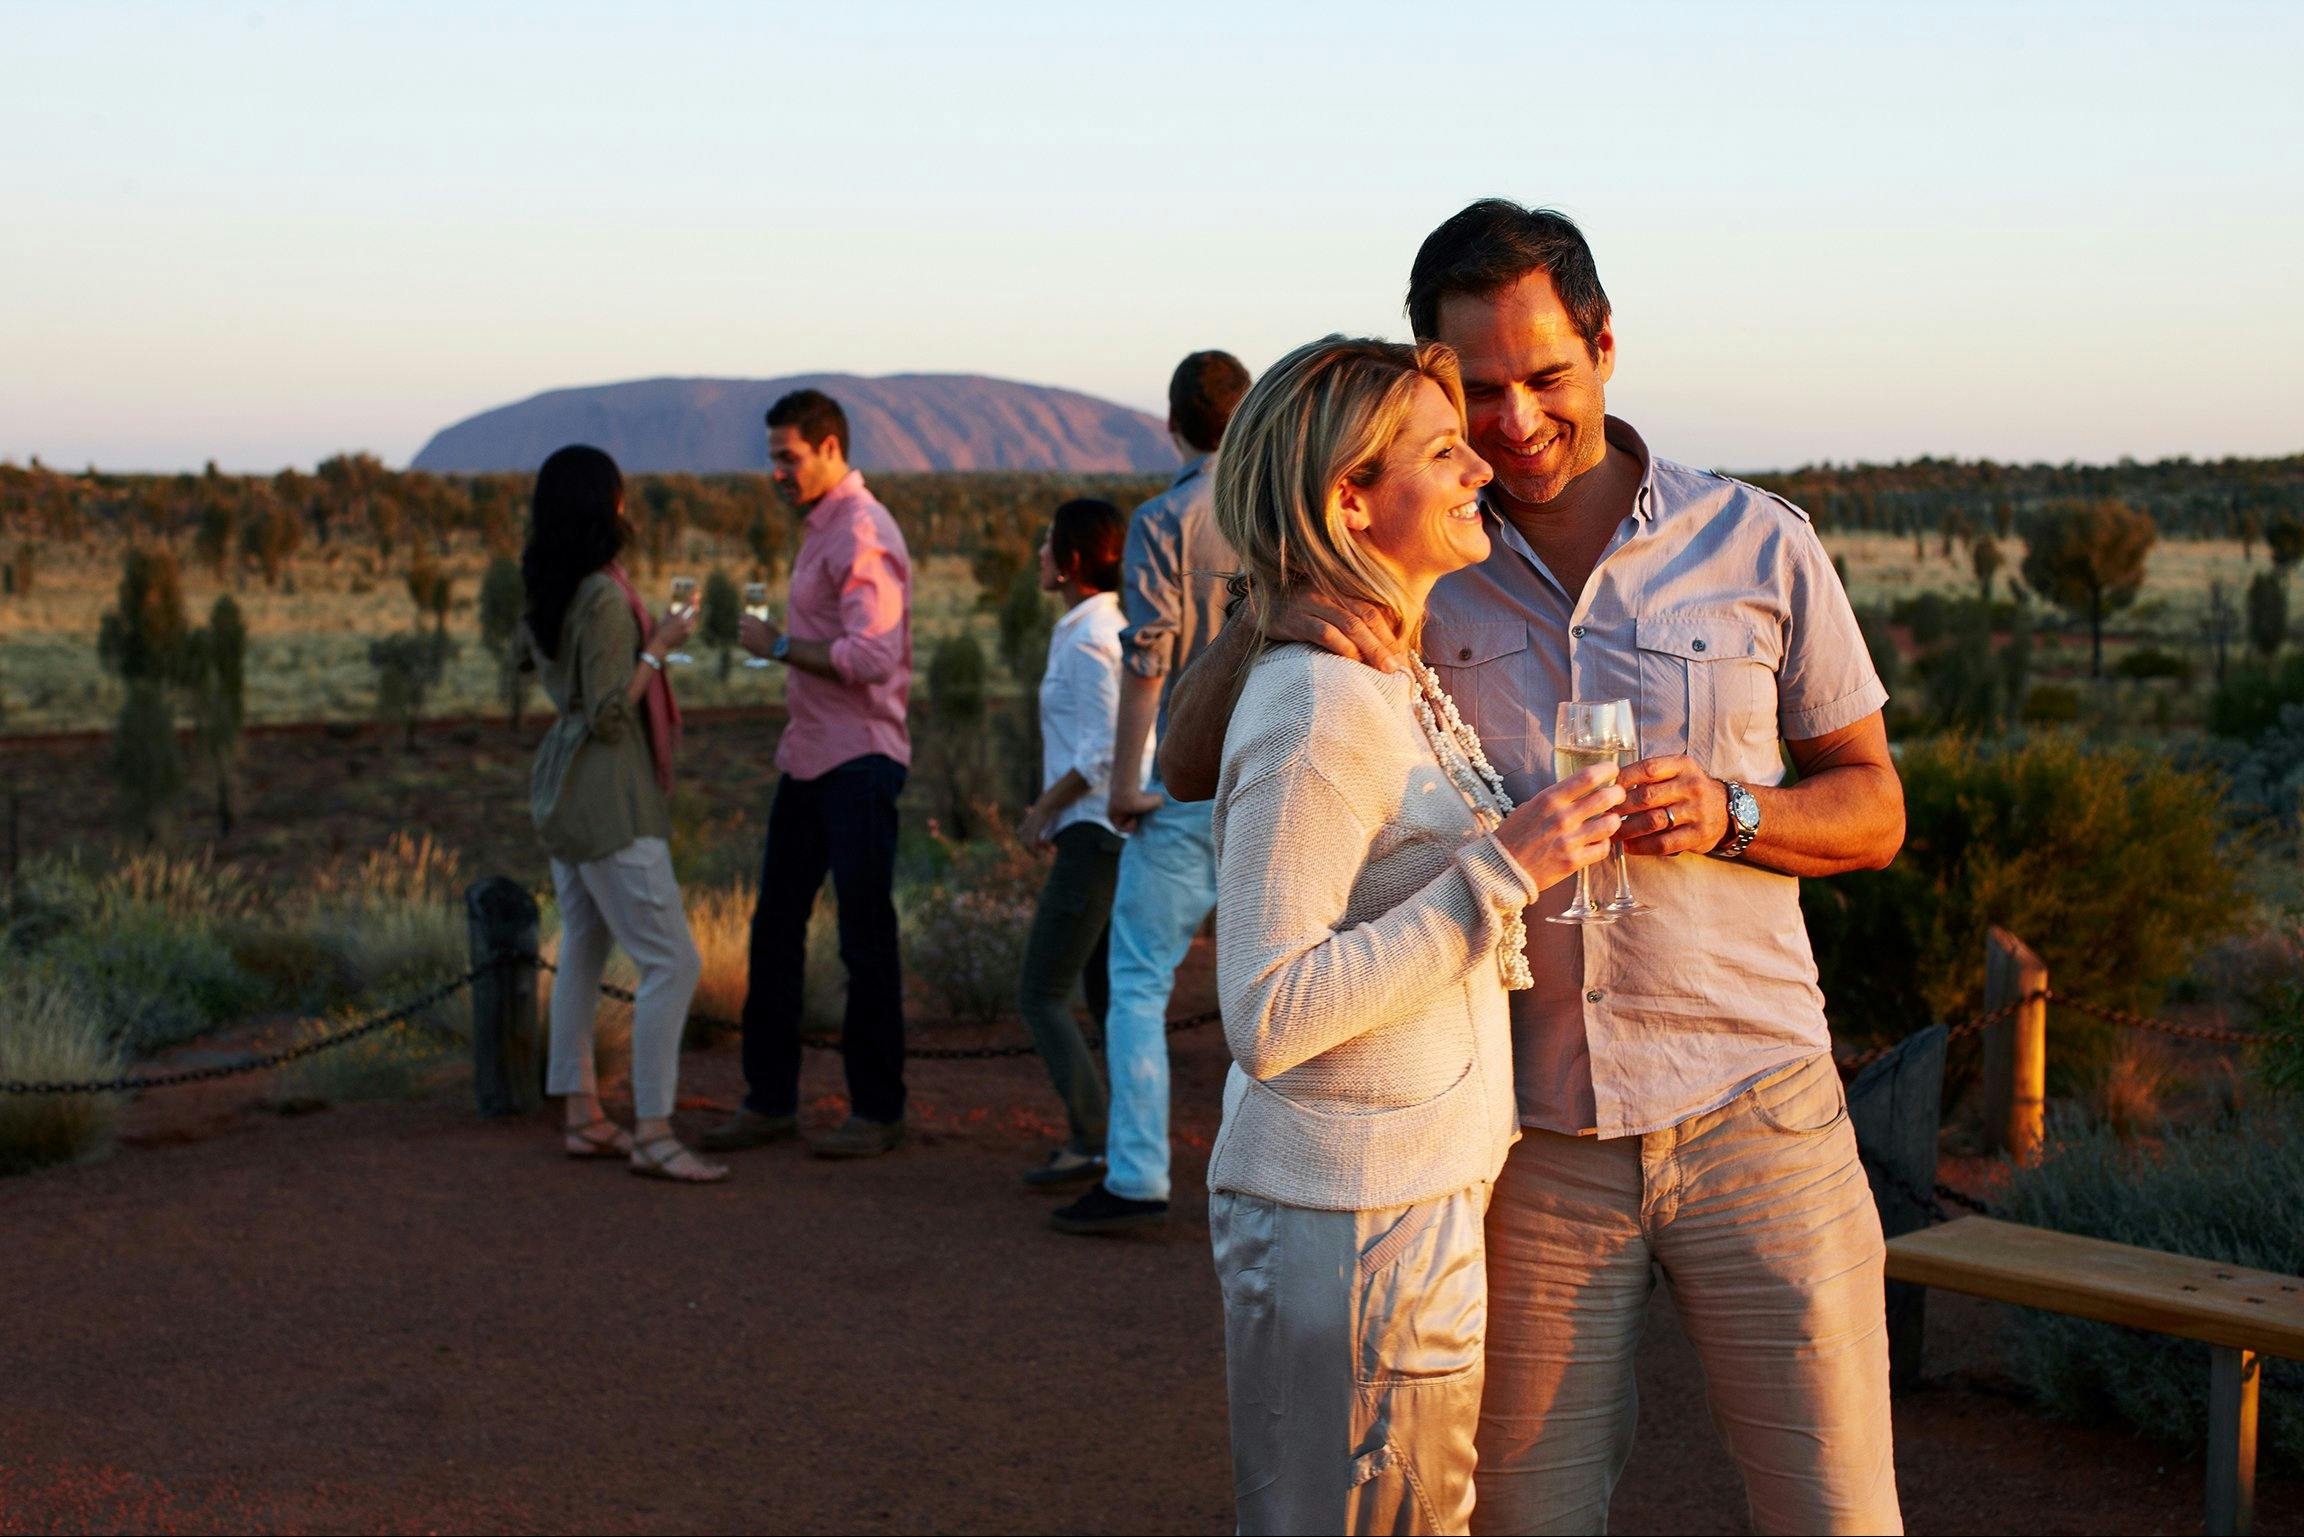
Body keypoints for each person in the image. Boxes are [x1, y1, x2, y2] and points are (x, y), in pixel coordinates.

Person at [1160, 203, 1908, 1535]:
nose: (1512, 423)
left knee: (1837, 1512)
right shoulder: (1416, 548)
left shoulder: (1758, 542)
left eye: (1546, 376)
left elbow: (1875, 808)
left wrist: (1734, 812)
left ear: (1606, 346)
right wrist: (1277, 593)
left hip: (1757, 1115)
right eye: (1480, 391)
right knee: (1519, 1518)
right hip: (1530, 1150)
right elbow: (1187, 760)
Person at [1204, 335, 1624, 1534]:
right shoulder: (1320, 704)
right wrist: (1502, 870)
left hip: (1394, 1200)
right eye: (1444, 453)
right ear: (1350, 498)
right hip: (1352, 1217)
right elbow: (1268, 1010)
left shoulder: (1381, 672)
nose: (1481, 466)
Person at [1051, 349, 1252, 1235]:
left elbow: (1148, 660)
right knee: (1275, 982)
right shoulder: (1278, 509)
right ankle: (1277, 1173)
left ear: (1173, 424)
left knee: (1135, 980)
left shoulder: (1163, 520)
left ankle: (1136, 1176)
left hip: (1184, 782)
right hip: (1271, 773)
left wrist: (1130, 782)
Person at [705, 389, 915, 1161]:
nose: (777, 472)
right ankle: (769, 1102)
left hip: (859, 759)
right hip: (810, 756)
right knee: (775, 931)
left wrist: (777, 646)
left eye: (788, 457)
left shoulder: (861, 531)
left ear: (830, 448)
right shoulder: (824, 527)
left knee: (864, 938)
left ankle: (878, 1111)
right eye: (771, 458)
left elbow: (873, 656)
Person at [521, 443, 725, 1184]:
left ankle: (583, 1114)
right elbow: (611, 713)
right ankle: (654, 1131)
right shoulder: (605, 598)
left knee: (584, 942)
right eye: (619, 493)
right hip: (609, 795)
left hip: (563, 784)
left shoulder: (553, 588)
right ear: (605, 506)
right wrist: (660, 647)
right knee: (673, 961)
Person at [1014, 498, 1135, 1188]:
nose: (1040, 555)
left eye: (1048, 544)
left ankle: (1093, 1138)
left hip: (1093, 835)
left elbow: (1101, 752)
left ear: (1074, 560)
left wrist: (1043, 810)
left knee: (1041, 991)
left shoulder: (1092, 639)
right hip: (1104, 834)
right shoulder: (1095, 628)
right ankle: (1127, 1141)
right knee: (1105, 994)